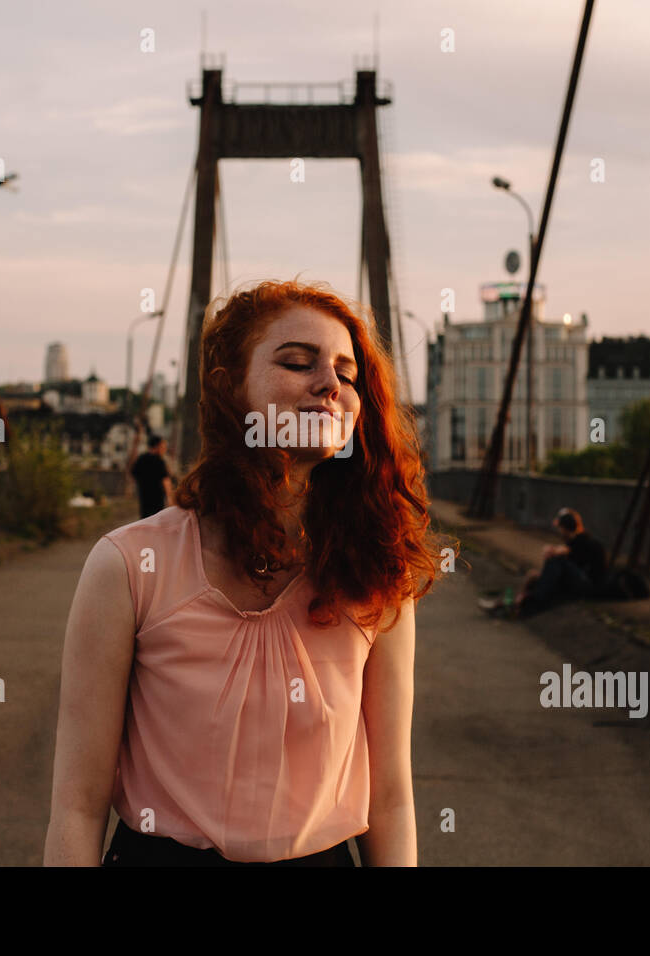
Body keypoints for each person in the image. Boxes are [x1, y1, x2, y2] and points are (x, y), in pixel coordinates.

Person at [45, 278, 456, 867]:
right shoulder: (130, 565)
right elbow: (78, 807)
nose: (330, 385)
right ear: (228, 387)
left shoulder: (374, 569)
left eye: (347, 373)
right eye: (297, 362)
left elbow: (389, 798)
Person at [514, 507, 607, 616]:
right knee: (536, 575)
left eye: (560, 528)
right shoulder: (576, 541)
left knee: (555, 560)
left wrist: (551, 551)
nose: (559, 531)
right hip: (584, 580)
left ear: (564, 528)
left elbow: (559, 552)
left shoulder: (581, 540)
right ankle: (522, 599)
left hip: (590, 586)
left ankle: (535, 600)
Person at [130, 433, 173, 519]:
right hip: (158, 498)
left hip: (144, 496)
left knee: (144, 519)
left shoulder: (141, 458)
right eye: (162, 446)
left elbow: (133, 473)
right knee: (157, 520)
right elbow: (165, 480)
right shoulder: (159, 461)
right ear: (157, 446)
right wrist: (169, 497)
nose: (164, 449)